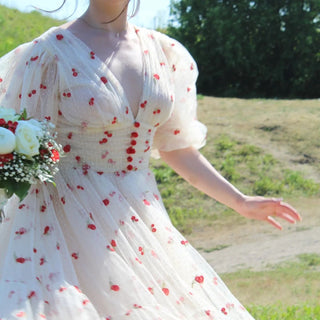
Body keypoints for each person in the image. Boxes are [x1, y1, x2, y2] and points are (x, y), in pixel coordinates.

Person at [0, 0, 301, 319]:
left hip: (141, 217)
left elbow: (177, 147)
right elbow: (24, 153)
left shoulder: (164, 51)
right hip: (65, 218)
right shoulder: (48, 55)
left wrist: (240, 201)